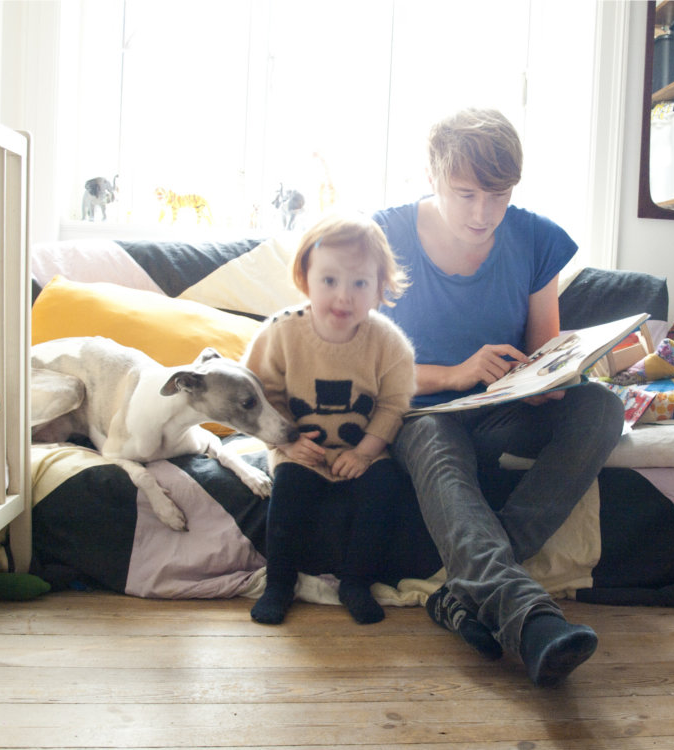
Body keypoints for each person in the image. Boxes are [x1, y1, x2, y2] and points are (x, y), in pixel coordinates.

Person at [373, 108, 625, 686]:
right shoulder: (383, 237)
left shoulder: (535, 237)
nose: (483, 213)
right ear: (432, 177)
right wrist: (455, 374)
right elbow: (362, 370)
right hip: (422, 410)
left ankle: (462, 592)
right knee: (435, 441)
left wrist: (544, 384)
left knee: (601, 407)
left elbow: (544, 351)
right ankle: (530, 620)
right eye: (466, 195)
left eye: (499, 195)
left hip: (500, 411)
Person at [243, 212, 416, 626]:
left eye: (360, 283)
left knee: (385, 488)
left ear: (380, 287)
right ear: (305, 278)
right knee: (289, 491)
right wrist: (286, 444)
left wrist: (365, 453)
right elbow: (261, 396)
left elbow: (394, 405)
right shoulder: (281, 332)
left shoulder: (387, 342)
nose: (343, 296)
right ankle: (278, 583)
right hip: (299, 448)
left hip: (362, 450)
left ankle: (356, 582)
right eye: (329, 280)